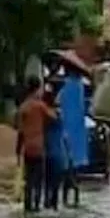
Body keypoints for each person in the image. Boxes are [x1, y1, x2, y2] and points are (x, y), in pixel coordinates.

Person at [16, 76, 56, 213]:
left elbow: (20, 132)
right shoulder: (40, 106)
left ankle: (27, 207)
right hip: (39, 148)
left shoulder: (23, 107)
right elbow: (54, 117)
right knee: (38, 180)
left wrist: (17, 151)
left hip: (27, 148)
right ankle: (37, 206)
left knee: (28, 180)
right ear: (38, 89)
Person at [42, 80, 70, 210]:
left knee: (47, 186)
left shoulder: (45, 115)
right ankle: (53, 207)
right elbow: (66, 137)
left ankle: (48, 206)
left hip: (47, 154)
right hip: (59, 155)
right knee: (55, 188)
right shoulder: (58, 115)